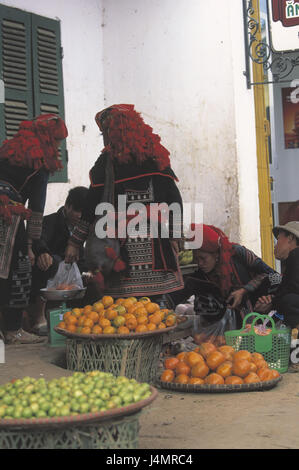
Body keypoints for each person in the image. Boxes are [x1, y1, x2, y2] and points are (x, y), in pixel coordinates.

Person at [65, 104, 184, 303]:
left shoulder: (123, 160)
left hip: (137, 248)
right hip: (138, 249)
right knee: (138, 309)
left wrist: (74, 242)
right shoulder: (142, 157)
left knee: (137, 308)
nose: (104, 138)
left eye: (106, 132)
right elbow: (174, 200)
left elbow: (91, 207)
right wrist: (174, 236)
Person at [0, 113, 68, 344]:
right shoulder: (40, 163)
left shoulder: (8, 150)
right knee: (18, 270)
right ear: (50, 140)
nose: (58, 146)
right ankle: (12, 330)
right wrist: (31, 246)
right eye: (57, 141)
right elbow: (37, 210)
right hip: (8, 215)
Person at [173, 224, 278, 337]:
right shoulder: (202, 274)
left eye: (203, 258)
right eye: (196, 258)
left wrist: (244, 290)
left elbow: (271, 274)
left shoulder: (238, 253)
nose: (200, 263)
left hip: (259, 308)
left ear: (216, 254)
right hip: (232, 321)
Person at [26, 186, 89, 335]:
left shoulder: (82, 228)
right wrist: (43, 252)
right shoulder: (50, 221)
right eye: (77, 211)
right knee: (49, 260)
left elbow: (83, 256)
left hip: (68, 272)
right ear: (67, 206)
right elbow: (40, 240)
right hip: (49, 269)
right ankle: (39, 315)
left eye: (83, 213)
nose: (80, 216)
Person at [255, 221, 299, 330]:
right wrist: (272, 300)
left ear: (290, 238)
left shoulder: (296, 255)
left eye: (278, 238)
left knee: (289, 300)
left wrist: (272, 302)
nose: (276, 245)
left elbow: (293, 290)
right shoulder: (292, 261)